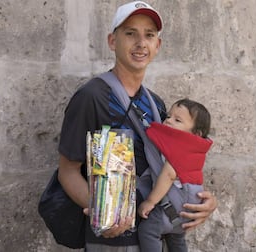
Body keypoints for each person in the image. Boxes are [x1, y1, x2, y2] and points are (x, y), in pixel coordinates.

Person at [57, 1, 217, 251]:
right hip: (110, 241)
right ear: (112, 41)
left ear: (157, 45)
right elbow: (67, 171)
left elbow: (177, 164)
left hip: (152, 237)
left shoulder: (157, 105)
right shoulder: (91, 96)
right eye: (130, 33)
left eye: (149, 35)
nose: (141, 43)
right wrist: (103, 210)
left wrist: (205, 202)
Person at [138, 98, 213, 252]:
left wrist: (150, 202)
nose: (169, 121)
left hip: (177, 203)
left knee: (148, 231)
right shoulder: (195, 150)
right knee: (176, 236)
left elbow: (169, 175)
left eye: (177, 120)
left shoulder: (179, 147)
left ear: (196, 134)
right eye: (168, 116)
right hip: (190, 204)